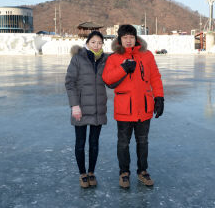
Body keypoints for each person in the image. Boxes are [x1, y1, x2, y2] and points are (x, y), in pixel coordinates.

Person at [102, 24, 164, 188]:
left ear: (136, 38)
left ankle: (142, 171)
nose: (128, 41)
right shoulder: (114, 58)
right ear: (119, 40)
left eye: (131, 37)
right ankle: (124, 173)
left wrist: (159, 97)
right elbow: (107, 79)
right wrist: (123, 69)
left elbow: (155, 77)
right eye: (125, 38)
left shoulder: (147, 55)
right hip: (124, 108)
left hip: (144, 107)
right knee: (123, 143)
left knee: (143, 142)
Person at [65, 31, 108, 188]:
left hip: (98, 108)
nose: (97, 45)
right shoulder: (78, 59)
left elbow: (112, 78)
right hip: (81, 108)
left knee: (94, 143)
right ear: (87, 43)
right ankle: (82, 173)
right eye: (93, 42)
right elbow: (70, 83)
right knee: (81, 143)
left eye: (99, 43)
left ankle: (91, 172)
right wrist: (74, 105)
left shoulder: (106, 59)